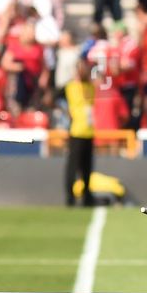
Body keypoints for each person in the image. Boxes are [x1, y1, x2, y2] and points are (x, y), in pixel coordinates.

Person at [63, 59, 97, 207]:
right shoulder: (72, 86)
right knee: (73, 167)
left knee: (87, 168)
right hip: (76, 131)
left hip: (89, 132)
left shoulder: (90, 87)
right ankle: (70, 197)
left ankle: (87, 196)